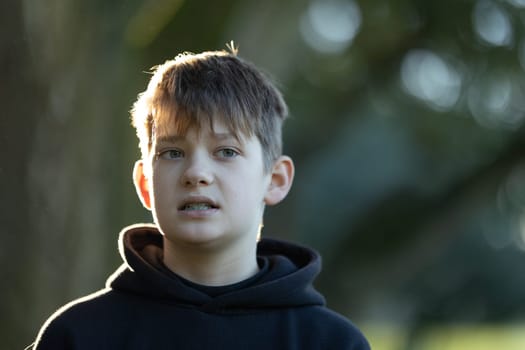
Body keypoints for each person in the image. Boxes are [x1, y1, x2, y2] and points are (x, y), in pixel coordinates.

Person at [30, 45, 370, 349]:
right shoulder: (78, 336)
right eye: (173, 153)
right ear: (145, 184)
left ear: (275, 180)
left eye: (226, 151)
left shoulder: (331, 342)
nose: (196, 173)